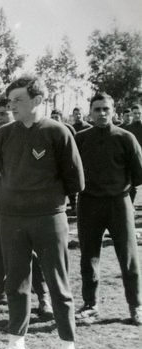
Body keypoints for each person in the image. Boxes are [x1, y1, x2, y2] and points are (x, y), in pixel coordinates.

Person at [0, 75, 85, 349]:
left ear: (37, 101)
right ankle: (16, 345)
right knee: (16, 282)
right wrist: (12, 193)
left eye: (18, 101)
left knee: (58, 285)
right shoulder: (3, 135)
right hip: (11, 220)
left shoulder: (58, 132)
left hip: (49, 218)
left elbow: (76, 180)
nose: (11, 106)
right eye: (10, 101)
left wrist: (45, 198)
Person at [0, 100, 54, 318]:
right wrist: (1, 192)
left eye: (4, 113)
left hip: (27, 204)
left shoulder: (33, 137)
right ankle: (1, 290)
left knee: (32, 249)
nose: (0, 118)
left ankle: (43, 297)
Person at [74, 93, 142, 326]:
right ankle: (90, 305)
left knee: (128, 256)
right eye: (97, 109)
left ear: (113, 111)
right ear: (90, 112)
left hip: (119, 202)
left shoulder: (126, 138)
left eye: (106, 109)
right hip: (89, 203)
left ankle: (136, 306)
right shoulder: (80, 139)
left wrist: (120, 192)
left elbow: (138, 174)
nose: (102, 113)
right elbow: (71, 170)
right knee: (89, 256)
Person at [122, 104, 142, 201]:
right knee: (133, 183)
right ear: (132, 114)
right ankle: (131, 205)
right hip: (133, 159)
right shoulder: (128, 128)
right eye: (135, 113)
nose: (137, 115)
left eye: (139, 113)